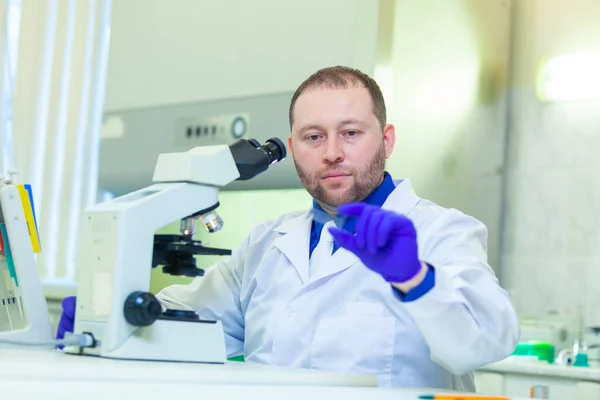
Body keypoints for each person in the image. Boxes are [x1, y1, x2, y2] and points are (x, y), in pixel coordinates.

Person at [57, 66, 519, 390]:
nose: (332, 151)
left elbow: (484, 342)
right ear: (294, 147)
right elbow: (196, 319)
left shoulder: (443, 232)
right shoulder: (265, 243)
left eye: (351, 132)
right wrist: (112, 313)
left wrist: (415, 279)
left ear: (387, 139)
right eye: (313, 136)